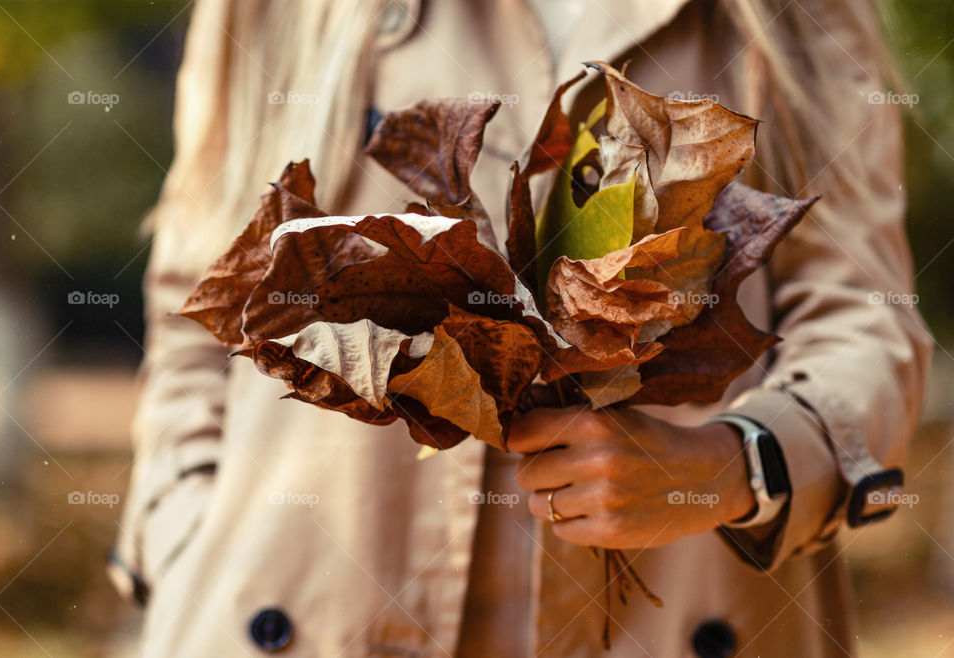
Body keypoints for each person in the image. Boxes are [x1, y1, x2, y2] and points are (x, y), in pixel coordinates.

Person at [108, 0, 932, 655]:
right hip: (295, 612)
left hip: (676, 613)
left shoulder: (783, 16)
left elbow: (868, 321)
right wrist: (181, 538)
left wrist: (728, 465)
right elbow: (202, 291)